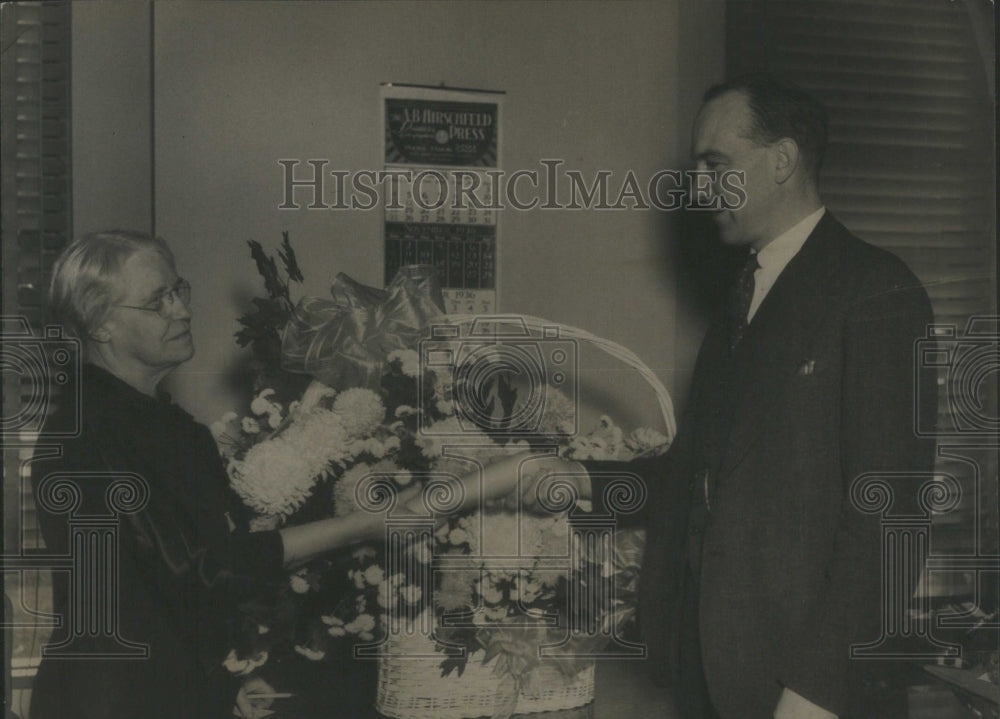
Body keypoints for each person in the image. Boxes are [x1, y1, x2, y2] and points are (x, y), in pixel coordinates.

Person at [512, 74, 937, 718]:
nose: (699, 187)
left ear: (783, 160)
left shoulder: (877, 292)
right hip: (716, 676)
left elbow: (889, 516)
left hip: (808, 689)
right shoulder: (744, 297)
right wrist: (575, 475)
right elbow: (703, 479)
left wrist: (817, 691)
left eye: (716, 165)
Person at [29, 231, 513, 719]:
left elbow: (164, 594)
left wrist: (221, 680)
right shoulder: (87, 436)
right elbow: (201, 569)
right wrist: (364, 524)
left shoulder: (169, 426)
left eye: (179, 290)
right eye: (158, 301)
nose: (181, 310)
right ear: (99, 324)